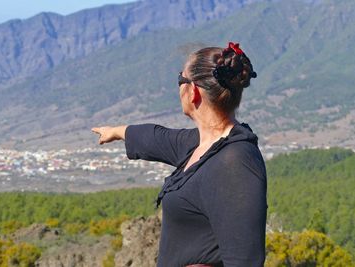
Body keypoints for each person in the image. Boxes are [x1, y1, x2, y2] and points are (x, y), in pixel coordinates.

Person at [92, 42, 267, 267]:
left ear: (193, 91)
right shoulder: (202, 144)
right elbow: (158, 138)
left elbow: (245, 260)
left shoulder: (235, 161)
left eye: (180, 80)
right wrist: (116, 131)